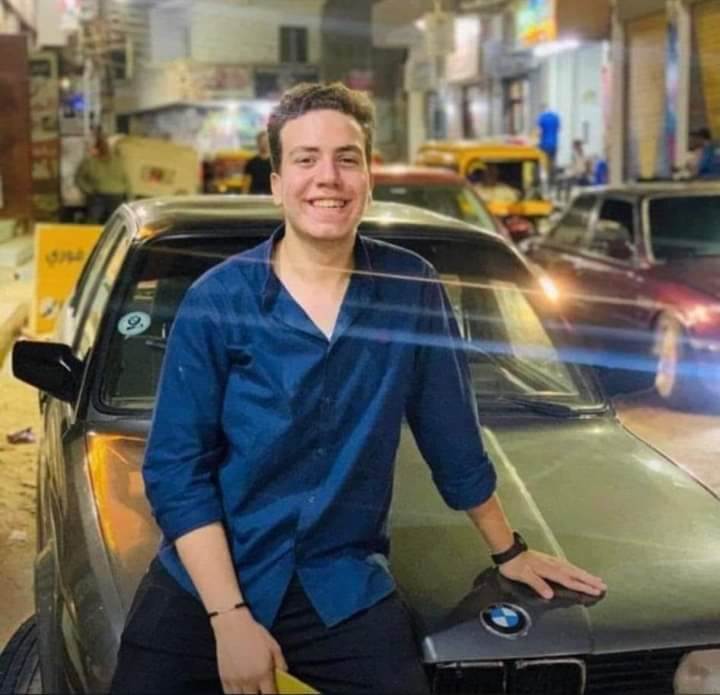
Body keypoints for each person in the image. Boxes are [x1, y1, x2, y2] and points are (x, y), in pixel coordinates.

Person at [111, 82, 606, 695]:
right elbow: (176, 471)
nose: (329, 177)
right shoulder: (217, 300)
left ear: (368, 179)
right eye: (306, 159)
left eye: (347, 159)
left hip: (338, 586)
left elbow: (451, 436)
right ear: (277, 183)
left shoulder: (410, 288)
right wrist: (229, 618)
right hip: (209, 580)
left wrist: (509, 552)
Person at [75, 130, 128, 224]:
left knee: (93, 222)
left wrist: (89, 190)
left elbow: (78, 179)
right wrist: (129, 197)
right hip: (115, 195)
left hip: (99, 195)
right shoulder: (118, 161)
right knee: (115, 224)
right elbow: (126, 180)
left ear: (96, 148)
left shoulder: (89, 161)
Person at [536, 104, 561, 180]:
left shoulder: (542, 117)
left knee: (543, 163)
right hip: (554, 144)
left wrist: (537, 142)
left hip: (544, 144)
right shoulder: (555, 117)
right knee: (552, 162)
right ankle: (552, 179)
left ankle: (543, 179)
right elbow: (558, 129)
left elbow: (539, 131)